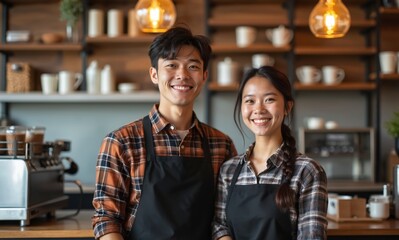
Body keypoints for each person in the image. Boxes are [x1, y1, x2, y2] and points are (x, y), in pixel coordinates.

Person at [92, 25, 238, 240]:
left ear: (204, 75)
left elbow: (224, 219)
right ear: (154, 74)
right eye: (172, 65)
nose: (182, 75)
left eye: (193, 66)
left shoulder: (221, 145)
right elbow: (106, 219)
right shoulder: (121, 142)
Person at [212, 66, 328, 240]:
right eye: (250, 101)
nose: (258, 109)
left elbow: (312, 237)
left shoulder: (307, 171)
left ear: (287, 107)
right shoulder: (229, 169)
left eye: (269, 99)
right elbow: (219, 225)